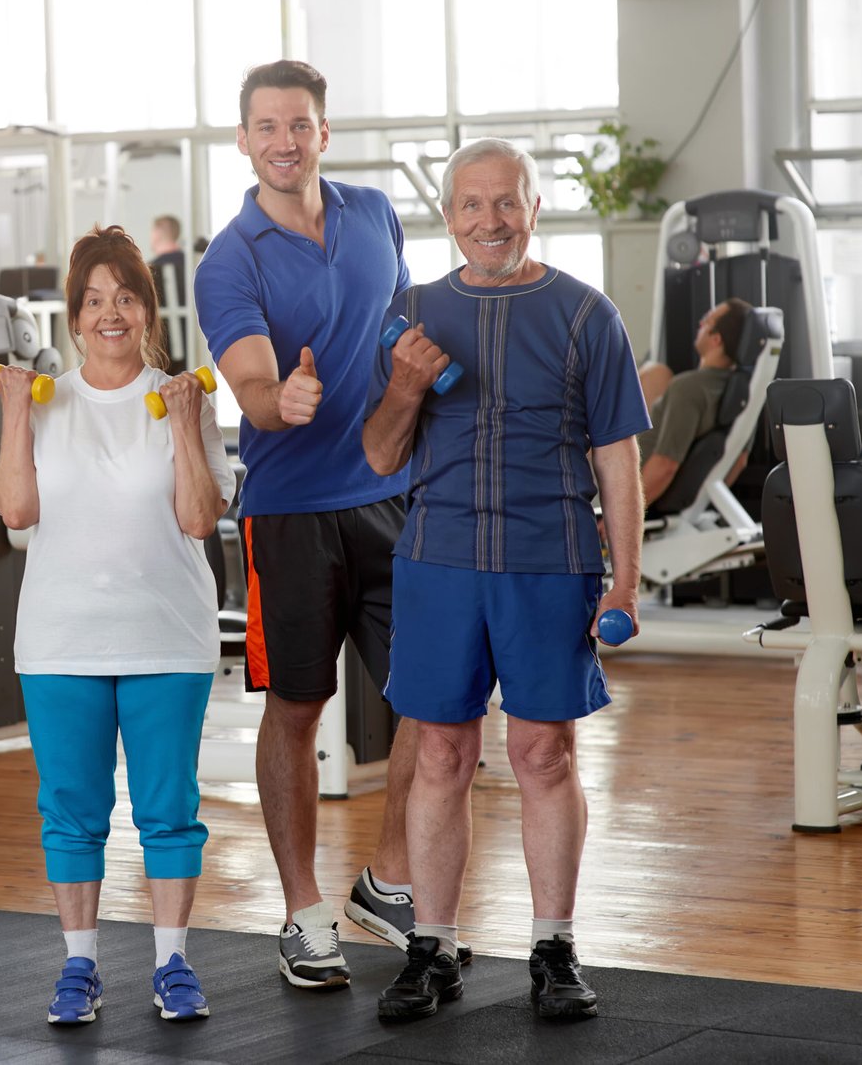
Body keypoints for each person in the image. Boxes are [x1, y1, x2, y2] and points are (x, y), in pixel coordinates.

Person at [361, 137, 649, 1022]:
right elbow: (380, 456)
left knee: (542, 754)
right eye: (472, 205)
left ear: (533, 209)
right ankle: (432, 947)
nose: (491, 220)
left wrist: (625, 584)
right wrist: (406, 387)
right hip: (439, 562)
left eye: (507, 202)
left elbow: (618, 460)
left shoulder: (586, 314)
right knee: (441, 756)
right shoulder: (410, 312)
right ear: (448, 216)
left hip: (549, 561)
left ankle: (554, 947)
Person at [193, 58, 448, 990]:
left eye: (299, 124)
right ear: (243, 140)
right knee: (296, 711)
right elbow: (253, 386)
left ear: (324, 133)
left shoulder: (374, 214)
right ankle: (304, 914)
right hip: (291, 513)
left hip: (392, 492)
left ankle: (387, 879)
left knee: (435, 696)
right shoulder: (230, 260)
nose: (285, 141)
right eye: (267, 126)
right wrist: (280, 400)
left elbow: (398, 325)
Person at [0, 224, 236, 1025]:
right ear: (74, 318)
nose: (110, 314)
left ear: (148, 312)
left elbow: (198, 519)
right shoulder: (45, 404)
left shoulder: (185, 399)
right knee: (72, 811)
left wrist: (185, 422)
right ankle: (80, 967)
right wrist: (16, 412)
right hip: (61, 639)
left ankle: (172, 964)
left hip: (168, 635)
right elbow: (16, 512)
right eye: (94, 301)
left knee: (169, 808)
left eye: (125, 298)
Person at [636, 296, 754, 509]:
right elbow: (739, 461)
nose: (700, 323)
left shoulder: (688, 387)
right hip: (677, 499)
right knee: (655, 371)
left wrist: (622, 514)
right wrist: (700, 505)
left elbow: (665, 466)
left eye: (707, 321)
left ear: (716, 339)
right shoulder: (742, 394)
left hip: (624, 489)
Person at [149, 215, 188, 369]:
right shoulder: (193, 265)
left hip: (163, 354)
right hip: (193, 346)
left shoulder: (149, 271)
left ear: (157, 233)